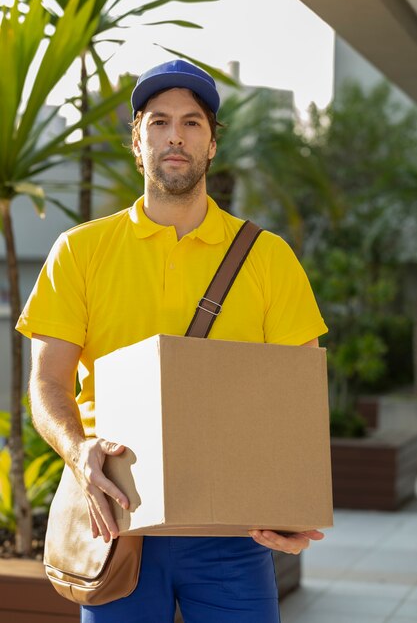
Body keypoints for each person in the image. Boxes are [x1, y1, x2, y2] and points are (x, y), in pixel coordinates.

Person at [17, 59, 328, 623]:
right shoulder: (79, 252)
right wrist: (77, 451)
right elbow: (46, 383)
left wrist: (292, 508)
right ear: (137, 143)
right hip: (115, 524)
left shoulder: (268, 257)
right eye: (158, 122)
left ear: (212, 144)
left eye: (191, 123)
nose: (175, 136)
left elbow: (297, 400)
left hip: (234, 533)